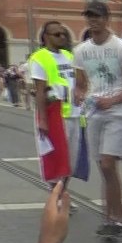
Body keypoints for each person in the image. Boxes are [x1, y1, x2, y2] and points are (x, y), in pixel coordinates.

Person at [73, 0, 122, 238]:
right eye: (89, 16)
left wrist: (112, 101)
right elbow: (80, 85)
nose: (93, 20)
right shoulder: (80, 51)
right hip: (93, 113)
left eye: (98, 16)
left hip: (116, 113)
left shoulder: (121, 48)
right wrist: (80, 96)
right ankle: (114, 219)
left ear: (106, 18)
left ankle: (118, 218)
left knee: (109, 164)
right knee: (104, 168)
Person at [31, 21, 81, 189]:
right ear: (46, 37)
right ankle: (56, 196)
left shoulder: (69, 56)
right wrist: (43, 120)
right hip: (55, 114)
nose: (62, 37)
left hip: (75, 113)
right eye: (57, 34)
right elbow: (39, 91)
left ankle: (61, 193)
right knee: (56, 159)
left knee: (71, 162)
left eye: (63, 34)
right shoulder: (39, 57)